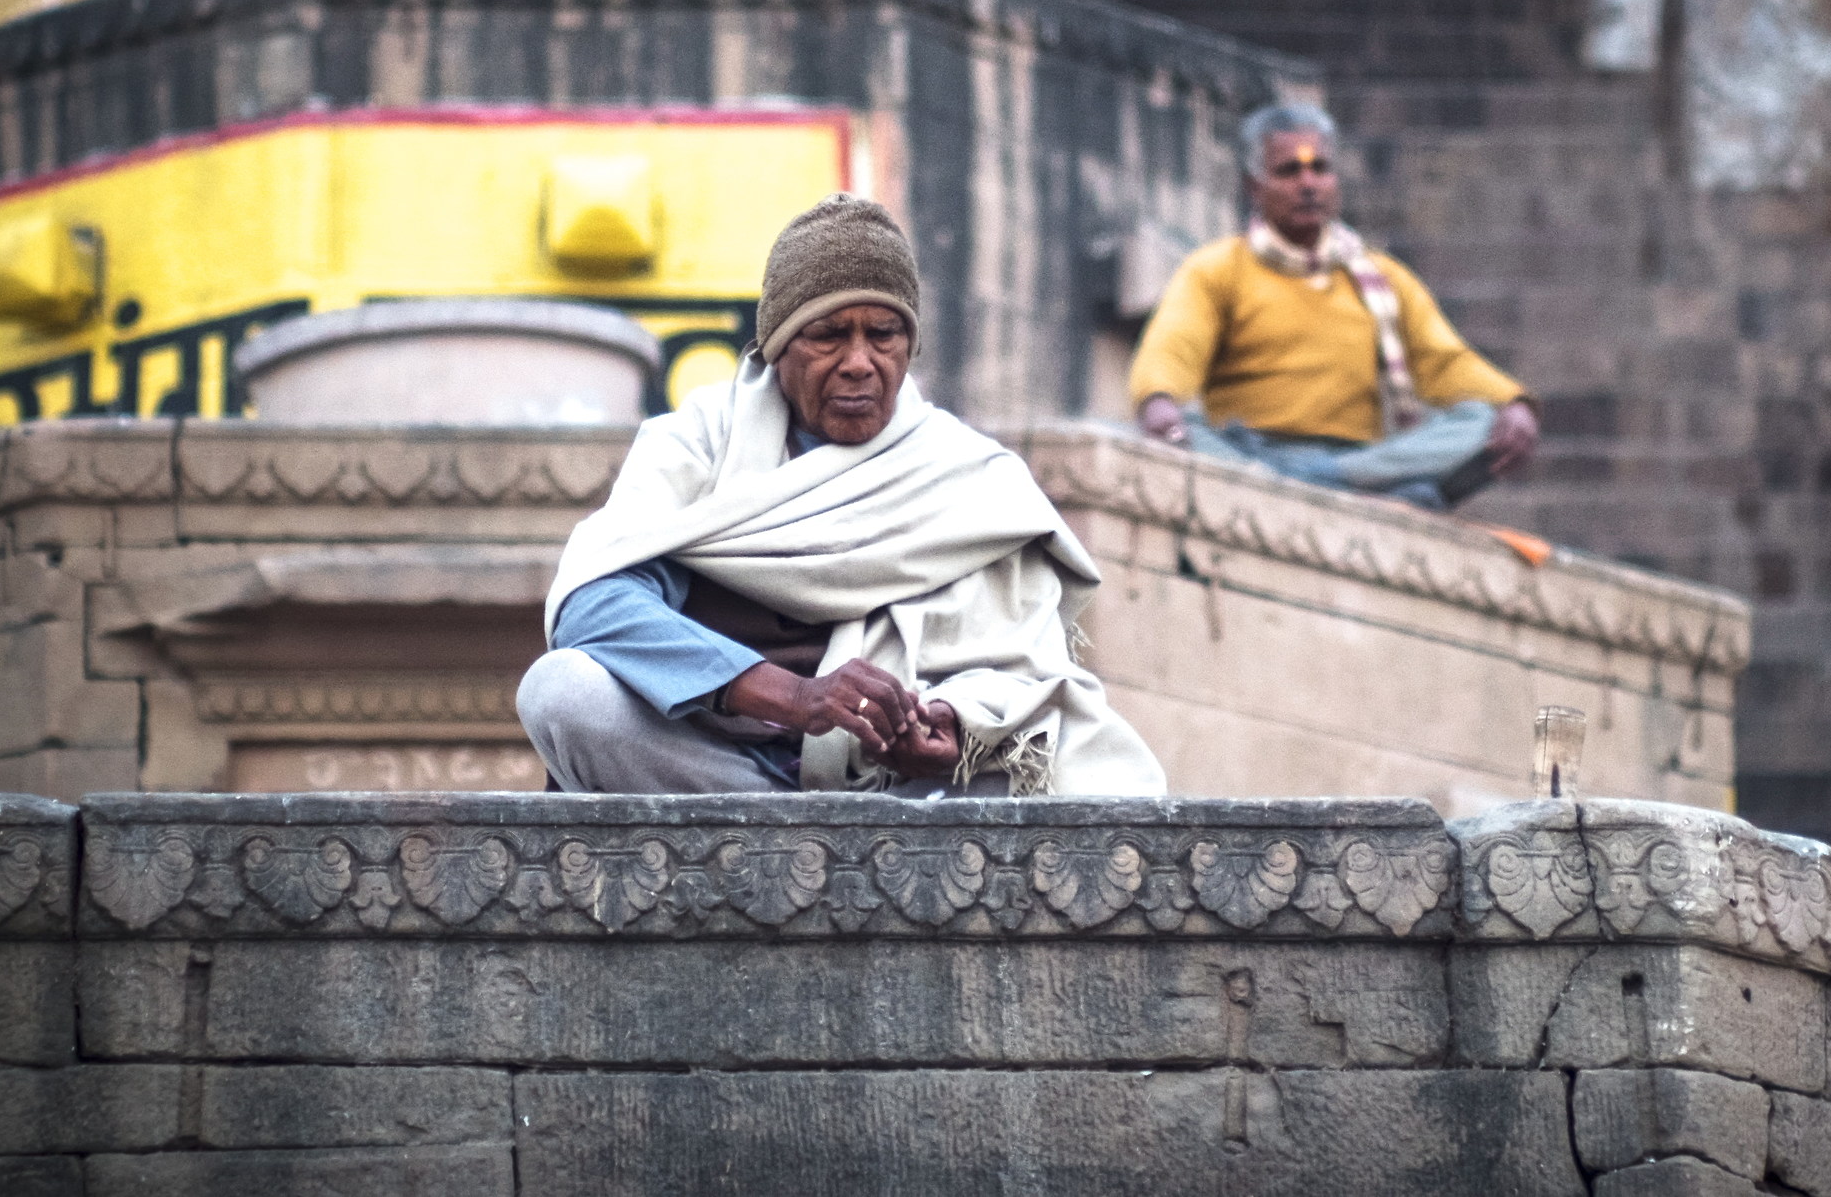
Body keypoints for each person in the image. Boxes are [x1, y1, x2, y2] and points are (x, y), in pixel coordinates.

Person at [518, 192, 1165, 797]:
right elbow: (595, 605)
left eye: (883, 335)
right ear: (777, 349)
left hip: (889, 791)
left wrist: (951, 725)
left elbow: (1032, 680)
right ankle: (779, 841)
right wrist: (789, 696)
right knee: (563, 691)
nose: (859, 361)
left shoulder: (976, 480)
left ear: (908, 347)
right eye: (829, 335)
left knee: (1051, 772)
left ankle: (803, 848)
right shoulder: (696, 440)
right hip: (713, 769)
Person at [1127, 102, 1539, 510]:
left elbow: (1444, 362)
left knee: (1482, 424)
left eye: (1319, 169)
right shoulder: (1218, 268)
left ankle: (1319, 485)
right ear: (1254, 185)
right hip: (1251, 458)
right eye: (1289, 171)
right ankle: (1349, 493)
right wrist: (1159, 400)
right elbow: (1174, 344)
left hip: (1357, 463)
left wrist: (1514, 404)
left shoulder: (1383, 277)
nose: (1308, 184)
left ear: (1336, 179)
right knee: (1180, 434)